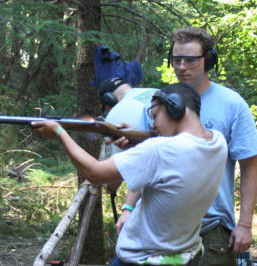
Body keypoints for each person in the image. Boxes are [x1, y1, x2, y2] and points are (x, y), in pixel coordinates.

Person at [32, 82, 228, 265]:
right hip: (184, 256)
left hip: (140, 259)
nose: (152, 125)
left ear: (174, 108)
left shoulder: (158, 150)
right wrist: (137, 141)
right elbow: (178, 154)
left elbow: (95, 173)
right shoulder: (217, 143)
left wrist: (59, 133)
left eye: (155, 115)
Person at [118, 27, 257, 265]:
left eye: (190, 60)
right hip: (157, 230)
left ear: (208, 60)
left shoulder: (233, 105)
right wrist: (128, 209)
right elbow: (148, 165)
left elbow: (250, 166)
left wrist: (244, 224)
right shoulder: (158, 102)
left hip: (212, 229)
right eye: (176, 59)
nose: (182, 67)